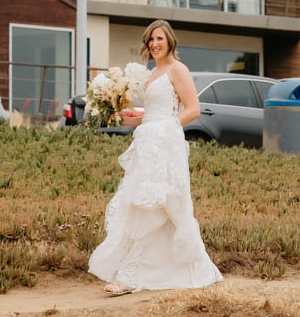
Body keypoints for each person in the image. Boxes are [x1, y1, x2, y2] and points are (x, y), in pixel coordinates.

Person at [88, 19, 223, 296]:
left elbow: (193, 109)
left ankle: (130, 276)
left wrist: (166, 128)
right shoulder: (152, 73)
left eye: (159, 38)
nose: (154, 44)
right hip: (147, 143)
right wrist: (130, 119)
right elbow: (151, 114)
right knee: (149, 203)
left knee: (153, 203)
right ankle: (192, 268)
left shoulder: (177, 69)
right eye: (151, 40)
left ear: (170, 40)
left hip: (165, 144)